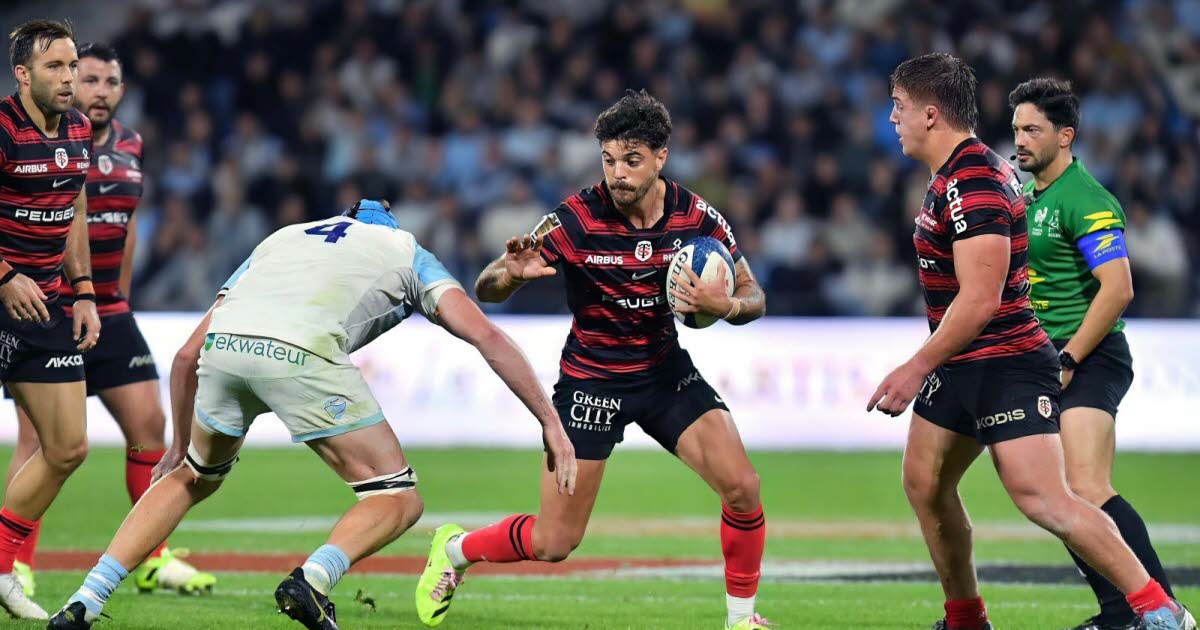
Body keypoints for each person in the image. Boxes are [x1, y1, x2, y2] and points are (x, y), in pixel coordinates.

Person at [46, 200, 576, 630]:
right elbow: (484, 334)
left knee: (191, 477)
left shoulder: (282, 238)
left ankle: (85, 600)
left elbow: (186, 356)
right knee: (396, 497)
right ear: (387, 222)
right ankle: (313, 579)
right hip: (302, 353)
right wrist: (550, 421)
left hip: (225, 349)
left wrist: (177, 446)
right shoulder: (407, 250)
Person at [415, 90, 770, 630]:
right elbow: (486, 287)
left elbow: (755, 296)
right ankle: (457, 550)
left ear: (660, 157)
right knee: (554, 543)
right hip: (591, 383)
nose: (617, 173)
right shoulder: (574, 219)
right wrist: (507, 274)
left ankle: (742, 621)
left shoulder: (696, 217)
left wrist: (730, 305)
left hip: (662, 373)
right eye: (608, 159)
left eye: (631, 160)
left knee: (743, 488)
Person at [869, 53, 1193, 630]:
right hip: (964, 359)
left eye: (898, 106)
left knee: (1049, 498)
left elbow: (982, 297)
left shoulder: (974, 182)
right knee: (925, 482)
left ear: (931, 114)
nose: (891, 118)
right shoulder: (956, 175)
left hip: (1004, 360)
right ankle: (965, 618)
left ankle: (1160, 612)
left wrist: (917, 365)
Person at [2, 42, 215, 600]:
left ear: (121, 89)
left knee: (151, 427)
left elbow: (127, 225)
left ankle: (150, 557)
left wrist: (109, 295)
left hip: (104, 304)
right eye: (86, 78)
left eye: (106, 81)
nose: (96, 90)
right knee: (42, 441)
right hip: (45, 300)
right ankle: (15, 564)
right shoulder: (42, 138)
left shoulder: (131, 145)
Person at [1010, 77, 1187, 630]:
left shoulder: (1086, 200)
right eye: (1016, 129)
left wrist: (1068, 359)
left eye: (1032, 130)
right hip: (1047, 358)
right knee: (1059, 495)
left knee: (1084, 488)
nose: (1020, 140)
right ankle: (1122, 613)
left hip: (1091, 356)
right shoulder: (1032, 195)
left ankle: (1163, 613)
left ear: (1066, 136)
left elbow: (1118, 288)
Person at [0, 19, 101, 620]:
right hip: (7, 289)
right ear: (23, 74)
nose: (69, 80)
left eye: (72, 67)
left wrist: (84, 288)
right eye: (55, 68)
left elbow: (74, 205)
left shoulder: (81, 130)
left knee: (67, 447)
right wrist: (5, 275)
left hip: (44, 305)